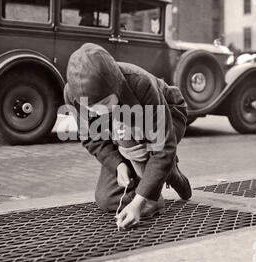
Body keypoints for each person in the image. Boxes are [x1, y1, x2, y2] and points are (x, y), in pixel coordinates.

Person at [64, 43, 191, 230]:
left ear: (117, 85)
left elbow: (162, 146)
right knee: (106, 200)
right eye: (91, 108)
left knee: (123, 128)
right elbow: (91, 137)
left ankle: (156, 188)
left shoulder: (141, 84)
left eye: (105, 102)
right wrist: (118, 164)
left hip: (169, 116)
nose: (98, 113)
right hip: (126, 135)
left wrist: (140, 202)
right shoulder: (72, 94)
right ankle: (165, 172)